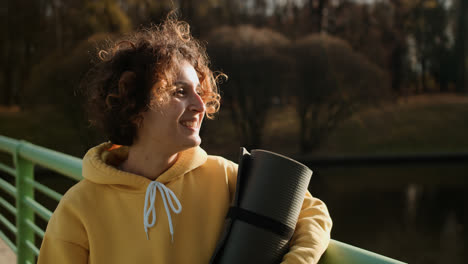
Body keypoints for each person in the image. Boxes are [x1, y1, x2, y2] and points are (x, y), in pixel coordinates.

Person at [37, 14, 332, 264]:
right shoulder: (79, 206)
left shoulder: (224, 176)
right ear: (134, 105)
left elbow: (313, 212)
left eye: (198, 92)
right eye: (180, 92)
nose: (200, 106)